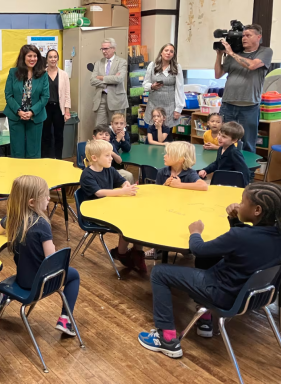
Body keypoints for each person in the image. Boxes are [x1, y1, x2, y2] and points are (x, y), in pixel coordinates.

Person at [138, 182, 281, 358]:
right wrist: (235, 220)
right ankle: (205, 321)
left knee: (159, 273)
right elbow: (246, 246)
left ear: (257, 210)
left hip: (222, 294)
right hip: (254, 297)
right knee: (208, 259)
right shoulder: (274, 235)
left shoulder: (239, 236)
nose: (239, 204)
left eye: (243, 202)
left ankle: (166, 338)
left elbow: (199, 249)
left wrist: (195, 233)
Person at [0, 175, 80, 335]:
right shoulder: (42, 224)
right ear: (32, 202)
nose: (48, 199)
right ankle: (65, 320)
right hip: (42, 285)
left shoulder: (14, 219)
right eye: (45, 196)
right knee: (74, 275)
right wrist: (53, 247)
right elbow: (51, 260)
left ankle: (5, 292)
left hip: (23, 281)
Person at [80, 140, 145, 272]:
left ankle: (137, 252)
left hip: (109, 208)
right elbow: (98, 193)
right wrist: (121, 192)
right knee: (128, 222)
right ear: (94, 158)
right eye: (108, 155)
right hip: (95, 214)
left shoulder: (108, 169)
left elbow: (121, 180)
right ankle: (122, 253)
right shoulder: (87, 174)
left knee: (138, 217)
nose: (111, 158)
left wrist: (126, 184)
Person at [215, 24, 273, 153]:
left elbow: (252, 65)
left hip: (249, 106)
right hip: (228, 104)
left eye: (248, 35)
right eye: (243, 36)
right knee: (224, 141)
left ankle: (247, 173)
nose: (244, 38)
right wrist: (219, 55)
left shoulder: (265, 52)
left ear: (259, 37)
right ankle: (225, 170)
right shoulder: (234, 54)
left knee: (247, 143)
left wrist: (231, 53)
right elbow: (218, 74)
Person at [4, 45, 49, 159]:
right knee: (17, 152)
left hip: (35, 117)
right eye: (29, 56)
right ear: (23, 57)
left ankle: (33, 176)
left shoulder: (43, 74)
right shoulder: (13, 72)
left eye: (35, 56)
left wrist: (32, 112)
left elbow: (45, 96)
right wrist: (19, 111)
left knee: (33, 152)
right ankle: (17, 176)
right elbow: (8, 95)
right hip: (16, 116)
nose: (32, 59)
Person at [143, 44, 185, 129]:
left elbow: (179, 88)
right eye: (166, 50)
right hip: (153, 104)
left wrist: (178, 109)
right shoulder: (152, 65)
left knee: (166, 133)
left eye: (171, 51)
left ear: (173, 55)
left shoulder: (176, 67)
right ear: (161, 52)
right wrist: (152, 86)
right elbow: (145, 84)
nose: (168, 53)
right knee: (152, 132)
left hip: (169, 106)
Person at [90, 38, 129, 127]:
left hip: (117, 100)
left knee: (117, 127)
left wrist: (101, 78)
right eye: (102, 49)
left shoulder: (121, 62)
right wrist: (110, 80)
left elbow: (119, 79)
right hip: (101, 98)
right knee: (100, 127)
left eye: (106, 49)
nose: (104, 51)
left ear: (113, 49)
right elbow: (92, 80)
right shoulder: (98, 63)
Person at [198, 121, 251, 187]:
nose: (219, 138)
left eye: (224, 137)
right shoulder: (221, 148)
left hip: (230, 184)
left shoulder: (234, 152)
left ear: (234, 140)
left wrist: (244, 187)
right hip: (221, 181)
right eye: (219, 134)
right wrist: (206, 170)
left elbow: (244, 171)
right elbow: (217, 163)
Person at [41, 49, 71, 159]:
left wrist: (67, 111)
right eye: (50, 57)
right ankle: (45, 158)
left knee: (59, 135)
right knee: (46, 135)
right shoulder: (42, 73)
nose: (53, 59)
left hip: (59, 108)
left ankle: (58, 159)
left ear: (57, 59)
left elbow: (67, 93)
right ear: (47, 59)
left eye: (55, 57)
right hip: (45, 108)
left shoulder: (63, 74)